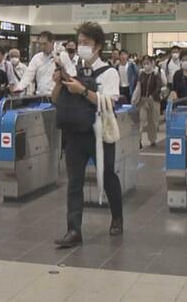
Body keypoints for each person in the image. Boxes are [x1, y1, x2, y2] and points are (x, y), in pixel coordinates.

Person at [53, 22, 123, 248]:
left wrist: (82, 90)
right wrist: (59, 83)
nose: (82, 47)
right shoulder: (71, 69)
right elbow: (56, 99)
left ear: (98, 46)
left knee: (108, 175)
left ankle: (117, 217)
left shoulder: (109, 72)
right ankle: (73, 230)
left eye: (87, 43)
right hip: (75, 133)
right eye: (79, 43)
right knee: (74, 182)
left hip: (99, 133)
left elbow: (110, 103)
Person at [12, 31, 58, 96]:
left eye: (45, 44)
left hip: (57, 96)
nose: (42, 47)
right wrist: (20, 87)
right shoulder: (36, 58)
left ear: (52, 43)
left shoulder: (60, 57)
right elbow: (28, 74)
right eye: (41, 44)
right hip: (41, 95)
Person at [131, 55, 162, 147]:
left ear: (152, 63)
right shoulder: (141, 75)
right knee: (141, 120)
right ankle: (138, 139)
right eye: (144, 63)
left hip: (154, 100)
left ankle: (152, 139)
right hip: (143, 100)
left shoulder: (156, 74)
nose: (146, 65)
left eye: (147, 63)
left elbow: (159, 86)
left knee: (153, 121)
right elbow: (138, 86)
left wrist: (153, 95)